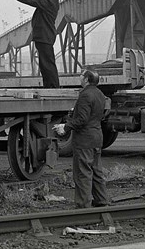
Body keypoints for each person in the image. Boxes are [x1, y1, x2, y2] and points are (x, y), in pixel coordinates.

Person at [53, 69, 110, 209]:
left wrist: (65, 127)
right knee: (97, 172)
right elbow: (97, 115)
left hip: (85, 139)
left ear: (86, 79)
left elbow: (82, 119)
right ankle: (102, 201)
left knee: (83, 173)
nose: (79, 77)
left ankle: (83, 205)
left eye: (81, 75)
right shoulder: (100, 94)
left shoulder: (85, 95)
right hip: (96, 137)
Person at [10, 0, 60, 88]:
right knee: (44, 64)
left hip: (45, 37)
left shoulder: (50, 3)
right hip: (43, 37)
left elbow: (34, 1)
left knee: (47, 63)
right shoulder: (50, 1)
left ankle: (53, 86)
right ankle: (49, 86)